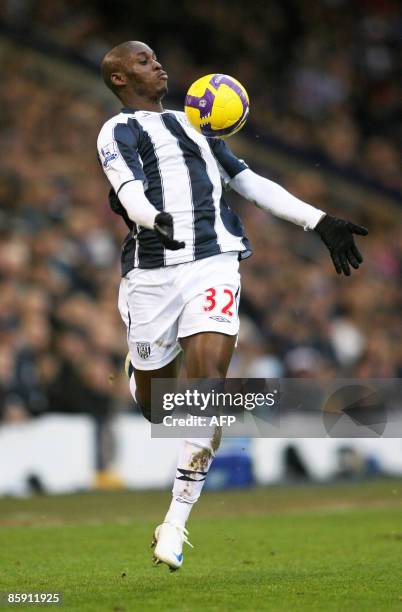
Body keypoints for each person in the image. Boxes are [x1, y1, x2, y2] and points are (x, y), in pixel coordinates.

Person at [97, 41, 367, 570]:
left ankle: (174, 523)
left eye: (156, 58)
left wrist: (320, 221)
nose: (159, 65)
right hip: (151, 273)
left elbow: (248, 181)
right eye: (144, 62)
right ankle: (141, 372)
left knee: (207, 390)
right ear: (119, 81)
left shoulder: (195, 123)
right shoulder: (117, 131)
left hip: (214, 262)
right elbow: (127, 190)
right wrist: (153, 218)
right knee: (159, 407)